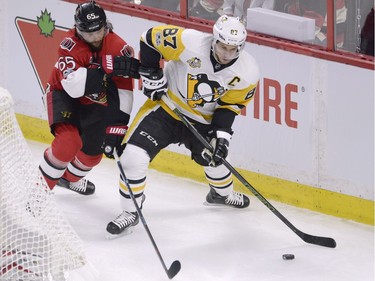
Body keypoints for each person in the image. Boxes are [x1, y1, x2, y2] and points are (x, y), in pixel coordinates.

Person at [106, 15, 260, 236]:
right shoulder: (189, 42)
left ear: (241, 47)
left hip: (203, 121)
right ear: (214, 39)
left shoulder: (247, 72)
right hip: (167, 110)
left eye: (232, 49)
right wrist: (152, 73)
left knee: (216, 159)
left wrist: (222, 137)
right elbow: (149, 38)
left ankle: (221, 195)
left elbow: (230, 106)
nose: (226, 54)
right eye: (222, 46)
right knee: (132, 158)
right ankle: (131, 211)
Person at [39, 1, 139, 195]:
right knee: (68, 143)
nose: (94, 38)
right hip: (64, 96)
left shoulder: (119, 47)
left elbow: (124, 91)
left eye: (98, 32)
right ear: (78, 30)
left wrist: (118, 127)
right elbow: (74, 88)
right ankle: (37, 193)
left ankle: (66, 180)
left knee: (91, 157)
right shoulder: (69, 45)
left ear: (106, 25)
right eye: (88, 34)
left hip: (95, 102)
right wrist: (103, 66)